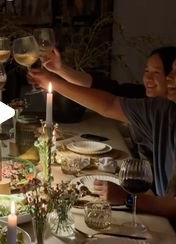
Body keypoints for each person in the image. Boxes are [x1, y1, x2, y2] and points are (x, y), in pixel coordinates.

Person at [29, 65, 176, 219]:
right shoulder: (163, 110)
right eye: (171, 70)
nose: (169, 77)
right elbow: (110, 104)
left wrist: (128, 198)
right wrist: (53, 82)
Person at [43, 46, 176, 98]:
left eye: (157, 72)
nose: (148, 78)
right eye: (147, 71)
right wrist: (60, 69)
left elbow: (109, 105)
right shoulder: (140, 96)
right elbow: (99, 86)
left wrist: (54, 83)